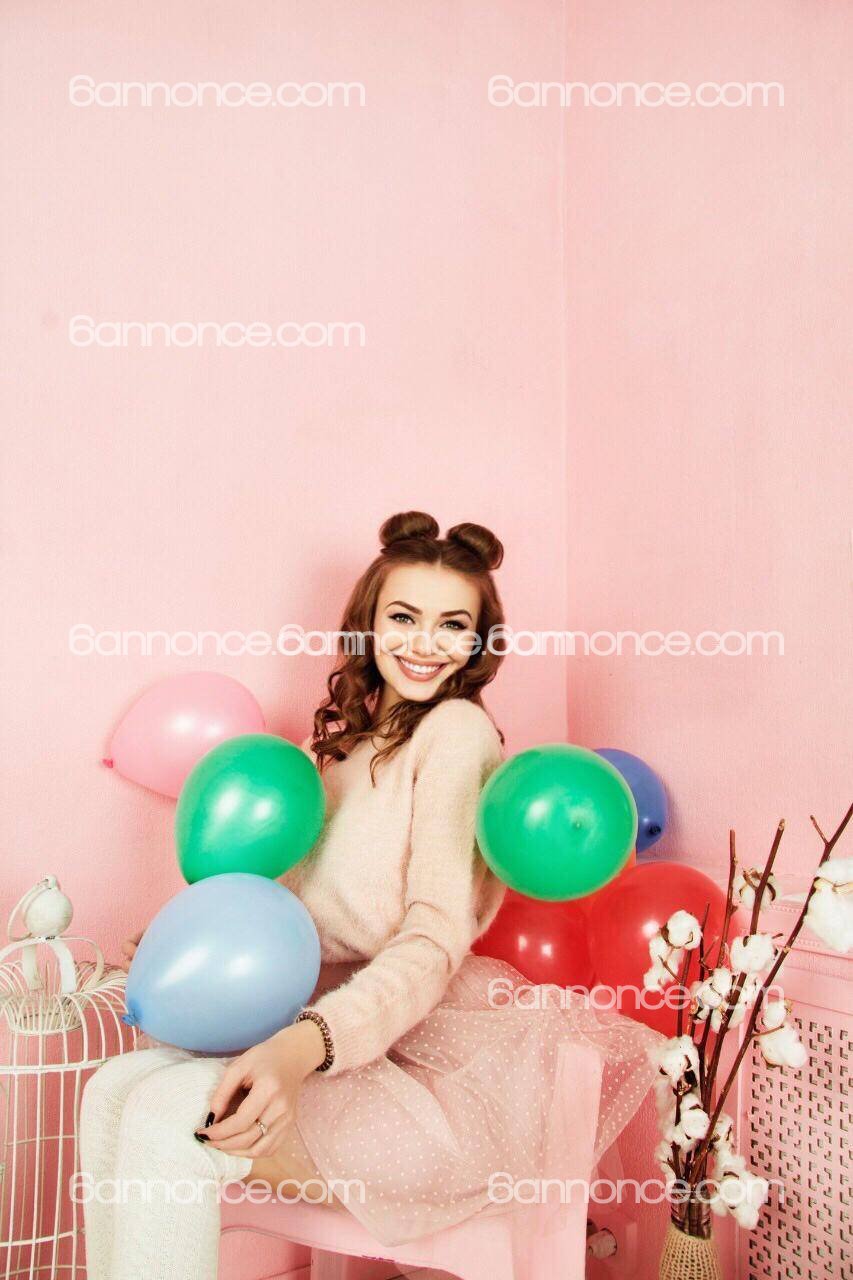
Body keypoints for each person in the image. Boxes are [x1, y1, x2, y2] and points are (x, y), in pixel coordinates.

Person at [80, 510, 659, 1280]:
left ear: (478, 643)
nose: (424, 643)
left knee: (162, 1116)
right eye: (403, 617)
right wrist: (191, 942)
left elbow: (433, 940)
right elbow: (282, 915)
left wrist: (301, 1047)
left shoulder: (455, 733)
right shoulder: (339, 744)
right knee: (113, 1088)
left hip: (400, 1054)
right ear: (368, 623)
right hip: (305, 1019)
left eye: (452, 625)